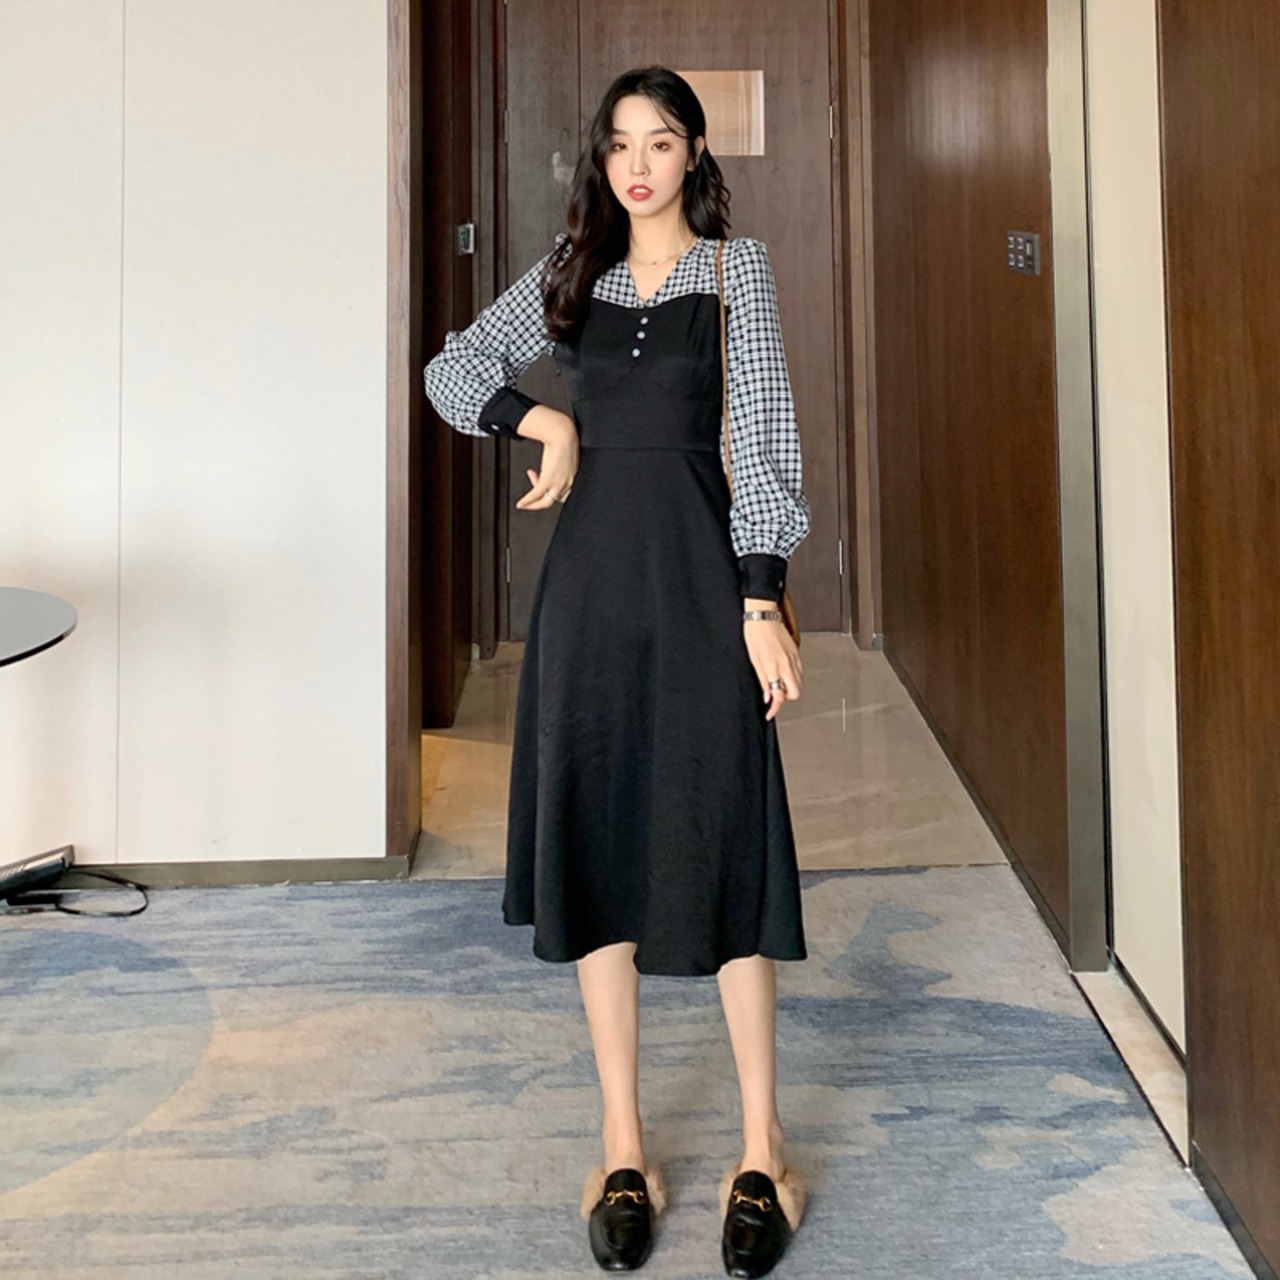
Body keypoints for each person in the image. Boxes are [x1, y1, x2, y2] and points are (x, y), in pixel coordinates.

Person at [424, 65, 810, 1278]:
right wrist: (538, 418)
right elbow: (448, 371)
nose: (637, 165)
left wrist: (763, 597)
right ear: (600, 159)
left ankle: (763, 1147)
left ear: (694, 154)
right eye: (618, 145)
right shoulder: (568, 271)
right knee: (594, 842)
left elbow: (759, 435)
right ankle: (622, 1144)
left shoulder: (734, 273)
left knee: (725, 833)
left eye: (660, 142)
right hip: (588, 599)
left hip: (700, 587)